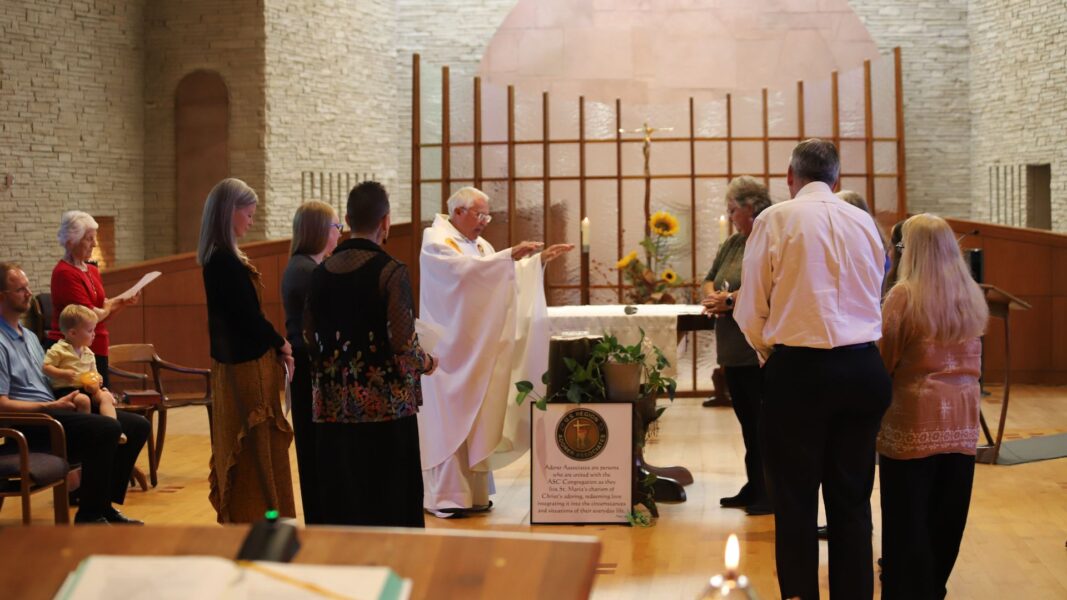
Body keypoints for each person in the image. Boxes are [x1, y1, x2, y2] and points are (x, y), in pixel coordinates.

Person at [734, 138, 892, 599]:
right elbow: (876, 289)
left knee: (795, 502)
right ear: (837, 180)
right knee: (853, 501)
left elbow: (750, 308)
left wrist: (772, 353)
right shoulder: (863, 221)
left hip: (799, 371)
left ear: (790, 176)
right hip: (863, 368)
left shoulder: (776, 219)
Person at [418, 186, 572, 518]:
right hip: (448, 354)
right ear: (458, 212)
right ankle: (446, 496)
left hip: (476, 350)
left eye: (487, 216)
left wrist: (535, 262)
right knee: (450, 421)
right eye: (479, 215)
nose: (484, 222)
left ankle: (473, 494)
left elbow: (499, 276)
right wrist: (507, 256)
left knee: (475, 418)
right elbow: (462, 275)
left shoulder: (481, 246)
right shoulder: (436, 241)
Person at [305, 181, 437, 527]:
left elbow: (309, 337)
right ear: (385, 222)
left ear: (348, 220)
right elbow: (403, 344)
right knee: (389, 504)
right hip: (385, 411)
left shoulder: (319, 274)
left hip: (333, 410)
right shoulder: (391, 272)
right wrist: (427, 362)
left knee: (344, 502)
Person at [877, 213, 988, 599]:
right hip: (963, 418)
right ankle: (933, 588)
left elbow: (883, 358)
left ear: (911, 251)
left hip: (915, 418)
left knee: (907, 518)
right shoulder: (970, 293)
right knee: (947, 516)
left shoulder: (904, 295)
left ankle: (906, 591)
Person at [0, 262, 149, 524]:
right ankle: (90, 515)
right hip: (34, 421)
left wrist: (88, 386)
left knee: (137, 425)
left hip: (56, 409)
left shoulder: (30, 337)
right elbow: (2, 405)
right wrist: (47, 407)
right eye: (20, 289)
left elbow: (52, 378)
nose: (28, 293)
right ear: (2, 296)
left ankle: (102, 506)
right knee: (107, 428)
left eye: (27, 287)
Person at [198, 177, 296, 524]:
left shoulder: (220, 258)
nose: (251, 222)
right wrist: (282, 343)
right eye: (249, 214)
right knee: (254, 448)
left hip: (240, 365)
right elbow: (248, 317)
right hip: (245, 368)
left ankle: (262, 514)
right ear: (230, 212)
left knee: (259, 447)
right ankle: (257, 515)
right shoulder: (223, 261)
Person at [700, 175, 772, 516]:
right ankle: (753, 484)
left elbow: (769, 286)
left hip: (756, 349)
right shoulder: (733, 243)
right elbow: (709, 278)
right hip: (732, 347)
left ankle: (769, 490)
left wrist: (730, 300)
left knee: (762, 425)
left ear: (750, 207)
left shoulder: (768, 238)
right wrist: (713, 296)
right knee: (747, 422)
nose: (729, 216)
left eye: (732, 210)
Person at [281, 200, 341, 525]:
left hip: (307, 364)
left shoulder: (306, 266)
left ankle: (323, 519)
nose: (339, 234)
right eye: (336, 227)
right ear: (320, 230)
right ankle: (322, 522)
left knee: (317, 448)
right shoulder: (308, 271)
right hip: (310, 367)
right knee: (316, 450)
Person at [49, 210, 139, 387]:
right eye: (89, 239)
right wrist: (112, 303)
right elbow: (91, 316)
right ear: (71, 241)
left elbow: (102, 315)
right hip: (73, 352)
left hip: (97, 345)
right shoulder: (64, 273)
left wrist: (123, 303)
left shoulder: (91, 269)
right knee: (89, 399)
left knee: (103, 396)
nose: (95, 244)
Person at [43, 304, 126, 444]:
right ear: (73, 333)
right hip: (67, 390)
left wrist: (98, 381)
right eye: (90, 330)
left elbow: (94, 373)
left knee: (106, 396)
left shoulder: (88, 353)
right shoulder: (58, 349)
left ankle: (114, 429)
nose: (94, 334)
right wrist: (62, 373)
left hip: (87, 388)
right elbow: (45, 367)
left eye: (94, 330)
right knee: (83, 400)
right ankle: (87, 432)